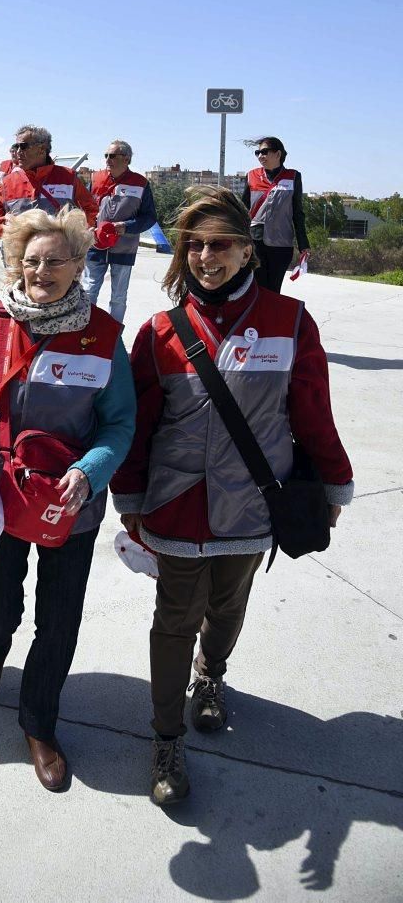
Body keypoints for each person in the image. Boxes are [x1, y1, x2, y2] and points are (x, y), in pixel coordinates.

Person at [111, 186, 353, 806]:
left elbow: (313, 413)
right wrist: (130, 497)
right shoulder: (159, 331)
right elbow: (136, 426)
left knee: (229, 606)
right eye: (194, 244)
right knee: (174, 619)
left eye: (220, 244)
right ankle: (166, 739)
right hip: (176, 501)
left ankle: (211, 675)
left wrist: (331, 480)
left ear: (248, 250)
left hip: (253, 500)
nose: (206, 256)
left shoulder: (290, 321)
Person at [0, 206, 135, 791]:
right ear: (15, 264)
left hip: (67, 501)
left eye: (55, 260)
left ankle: (40, 722)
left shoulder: (102, 335)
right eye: (30, 260)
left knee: (59, 618)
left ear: (79, 264)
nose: (41, 270)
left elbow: (119, 425)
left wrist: (89, 472)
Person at [82, 139, 158, 323]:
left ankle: (114, 336)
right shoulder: (96, 178)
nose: (108, 159)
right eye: (106, 155)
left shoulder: (140, 183)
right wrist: (87, 226)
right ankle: (83, 330)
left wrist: (126, 227)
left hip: (124, 248)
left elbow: (149, 217)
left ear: (127, 159)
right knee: (88, 291)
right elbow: (84, 207)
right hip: (95, 245)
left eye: (113, 156)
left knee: (118, 296)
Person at [0, 125, 98, 239]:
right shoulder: (6, 184)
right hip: (18, 258)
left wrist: (73, 232)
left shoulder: (68, 179)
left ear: (41, 149)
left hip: (60, 257)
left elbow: (91, 210)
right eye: (16, 146)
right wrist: (15, 229)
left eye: (23, 146)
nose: (18, 151)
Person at [241, 137, 309, 293]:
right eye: (257, 152)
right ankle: (257, 316)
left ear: (278, 154)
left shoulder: (293, 177)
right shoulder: (251, 176)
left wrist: (303, 244)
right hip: (255, 243)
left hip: (281, 244)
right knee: (258, 287)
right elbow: (243, 209)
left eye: (264, 152)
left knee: (273, 289)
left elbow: (298, 213)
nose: (260, 156)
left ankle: (270, 317)